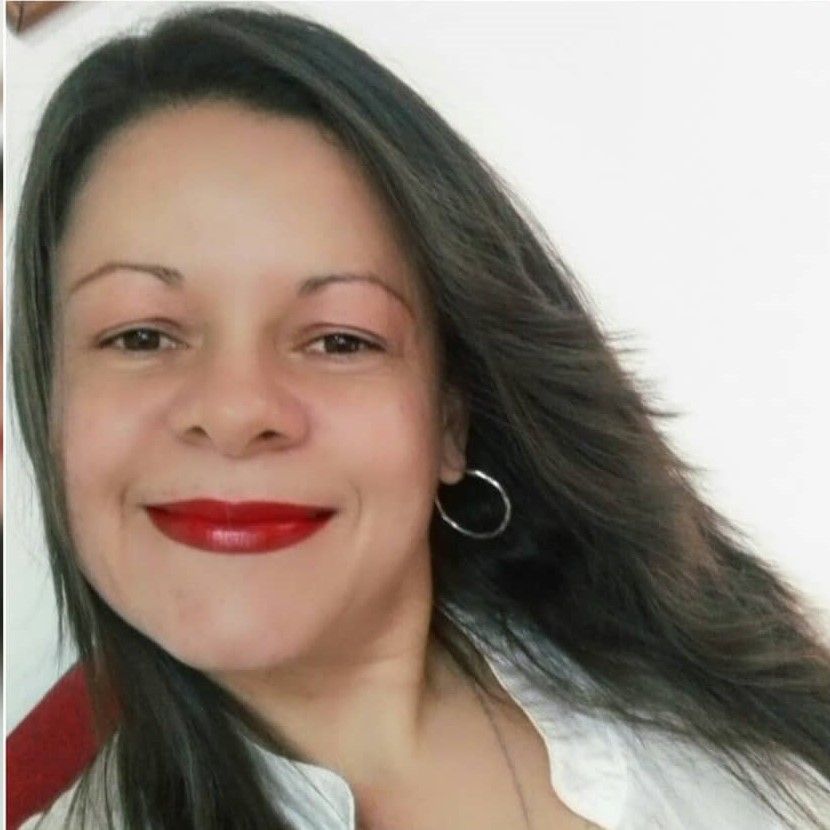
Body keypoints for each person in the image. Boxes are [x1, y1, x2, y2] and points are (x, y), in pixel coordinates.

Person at [9, 6, 830, 829]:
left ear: (450, 423)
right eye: (141, 335)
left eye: (340, 339)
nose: (234, 410)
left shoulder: (735, 692)